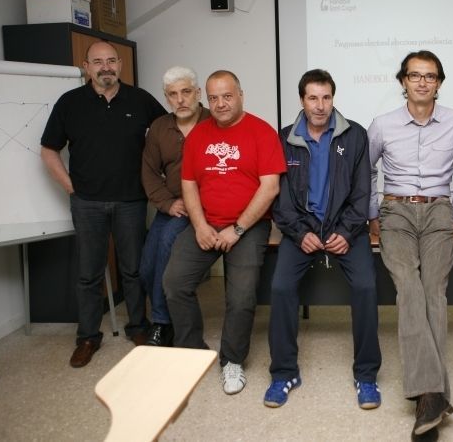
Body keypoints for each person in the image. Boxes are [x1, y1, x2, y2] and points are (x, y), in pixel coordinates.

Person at [40, 41, 166, 368]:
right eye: (98, 62)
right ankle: (87, 337)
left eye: (111, 60)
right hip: (87, 204)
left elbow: (169, 133)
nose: (105, 67)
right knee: (88, 274)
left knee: (134, 270)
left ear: (120, 65)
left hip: (132, 201)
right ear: (87, 66)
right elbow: (48, 150)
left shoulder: (141, 100)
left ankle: (138, 327)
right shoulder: (69, 103)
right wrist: (71, 186)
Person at [368, 50, 453, 438]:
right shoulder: (382, 124)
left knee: (433, 291)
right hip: (395, 211)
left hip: (439, 212)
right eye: (415, 76)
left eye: (430, 76)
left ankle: (427, 395)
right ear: (403, 82)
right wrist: (372, 214)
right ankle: (433, 393)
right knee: (408, 288)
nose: (423, 82)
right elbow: (368, 169)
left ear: (439, 83)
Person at [264, 69, 382, 409]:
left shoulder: (355, 135)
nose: (320, 105)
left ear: (333, 98)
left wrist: (345, 232)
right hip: (301, 228)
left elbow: (363, 193)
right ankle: (284, 373)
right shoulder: (284, 137)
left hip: (346, 228)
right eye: (313, 98)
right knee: (281, 288)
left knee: (366, 287)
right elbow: (281, 198)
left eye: (326, 97)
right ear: (302, 100)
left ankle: (366, 375)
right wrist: (301, 233)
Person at [163, 70, 285, 395]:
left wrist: (239, 228)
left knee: (242, 296)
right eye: (214, 97)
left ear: (241, 95)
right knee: (174, 284)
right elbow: (188, 184)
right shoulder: (198, 136)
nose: (220, 103)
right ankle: (192, 353)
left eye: (227, 96)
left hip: (248, 226)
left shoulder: (261, 131)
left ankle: (232, 361)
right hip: (205, 222)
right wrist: (200, 225)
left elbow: (270, 187)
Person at [139, 66, 210, 347]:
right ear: (166, 98)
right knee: (146, 265)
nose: (180, 99)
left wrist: (196, 204)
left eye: (186, 92)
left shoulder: (214, 121)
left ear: (198, 93)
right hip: (171, 207)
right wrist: (168, 204)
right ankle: (162, 316)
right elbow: (148, 172)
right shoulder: (159, 127)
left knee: (167, 247)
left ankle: (161, 324)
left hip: (205, 209)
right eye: (173, 95)